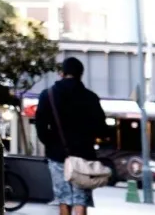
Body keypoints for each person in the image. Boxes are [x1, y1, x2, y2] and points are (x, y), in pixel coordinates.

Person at [35, 58, 108, 215]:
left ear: (62, 73)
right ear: (81, 74)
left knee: (63, 198)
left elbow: (40, 126)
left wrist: (51, 143)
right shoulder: (91, 97)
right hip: (84, 155)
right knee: (81, 199)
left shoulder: (48, 95)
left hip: (57, 155)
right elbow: (102, 129)